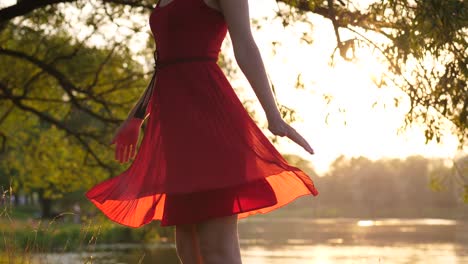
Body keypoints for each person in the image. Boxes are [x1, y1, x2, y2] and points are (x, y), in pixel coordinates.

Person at [86, 0, 319, 263]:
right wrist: (136, 117)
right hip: (177, 133)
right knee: (188, 246)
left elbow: (245, 46)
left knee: (216, 247)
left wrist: (273, 115)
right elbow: (165, 65)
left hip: (212, 125)